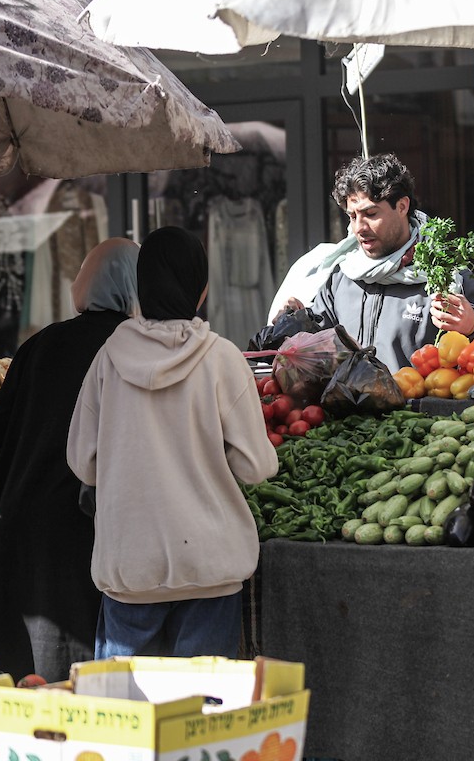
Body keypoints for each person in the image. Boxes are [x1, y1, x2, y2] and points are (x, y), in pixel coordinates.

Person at [66, 226, 279, 659]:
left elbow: (81, 462)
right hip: (210, 567)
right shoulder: (221, 358)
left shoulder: (108, 358)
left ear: (141, 288)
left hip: (132, 570)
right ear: (200, 291)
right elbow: (257, 467)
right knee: (199, 719)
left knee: (125, 719)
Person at [0, 237, 140, 683]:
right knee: (70, 662)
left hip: (20, 515)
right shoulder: (132, 347)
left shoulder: (41, 343)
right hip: (82, 519)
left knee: (16, 661)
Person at [280, 153, 474, 372]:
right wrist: (294, 323)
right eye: (352, 216)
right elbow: (315, 348)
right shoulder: (342, 276)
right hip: (344, 405)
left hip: (417, 406)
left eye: (371, 214)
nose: (359, 228)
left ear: (402, 207)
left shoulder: (445, 275)